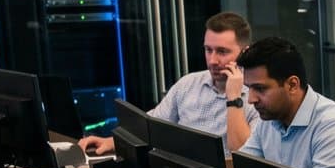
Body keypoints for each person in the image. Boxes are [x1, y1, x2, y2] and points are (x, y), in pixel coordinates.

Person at [81, 11, 256, 156]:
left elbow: (243, 154)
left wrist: (234, 98)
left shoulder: (257, 97)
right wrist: (112, 141)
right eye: (208, 50)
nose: (212, 60)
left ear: (244, 53)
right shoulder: (189, 84)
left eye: (222, 52)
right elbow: (151, 126)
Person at [234, 37, 335, 168]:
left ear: (292, 85)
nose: (251, 99)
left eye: (260, 89)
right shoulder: (269, 118)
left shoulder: (334, 127)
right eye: (249, 88)